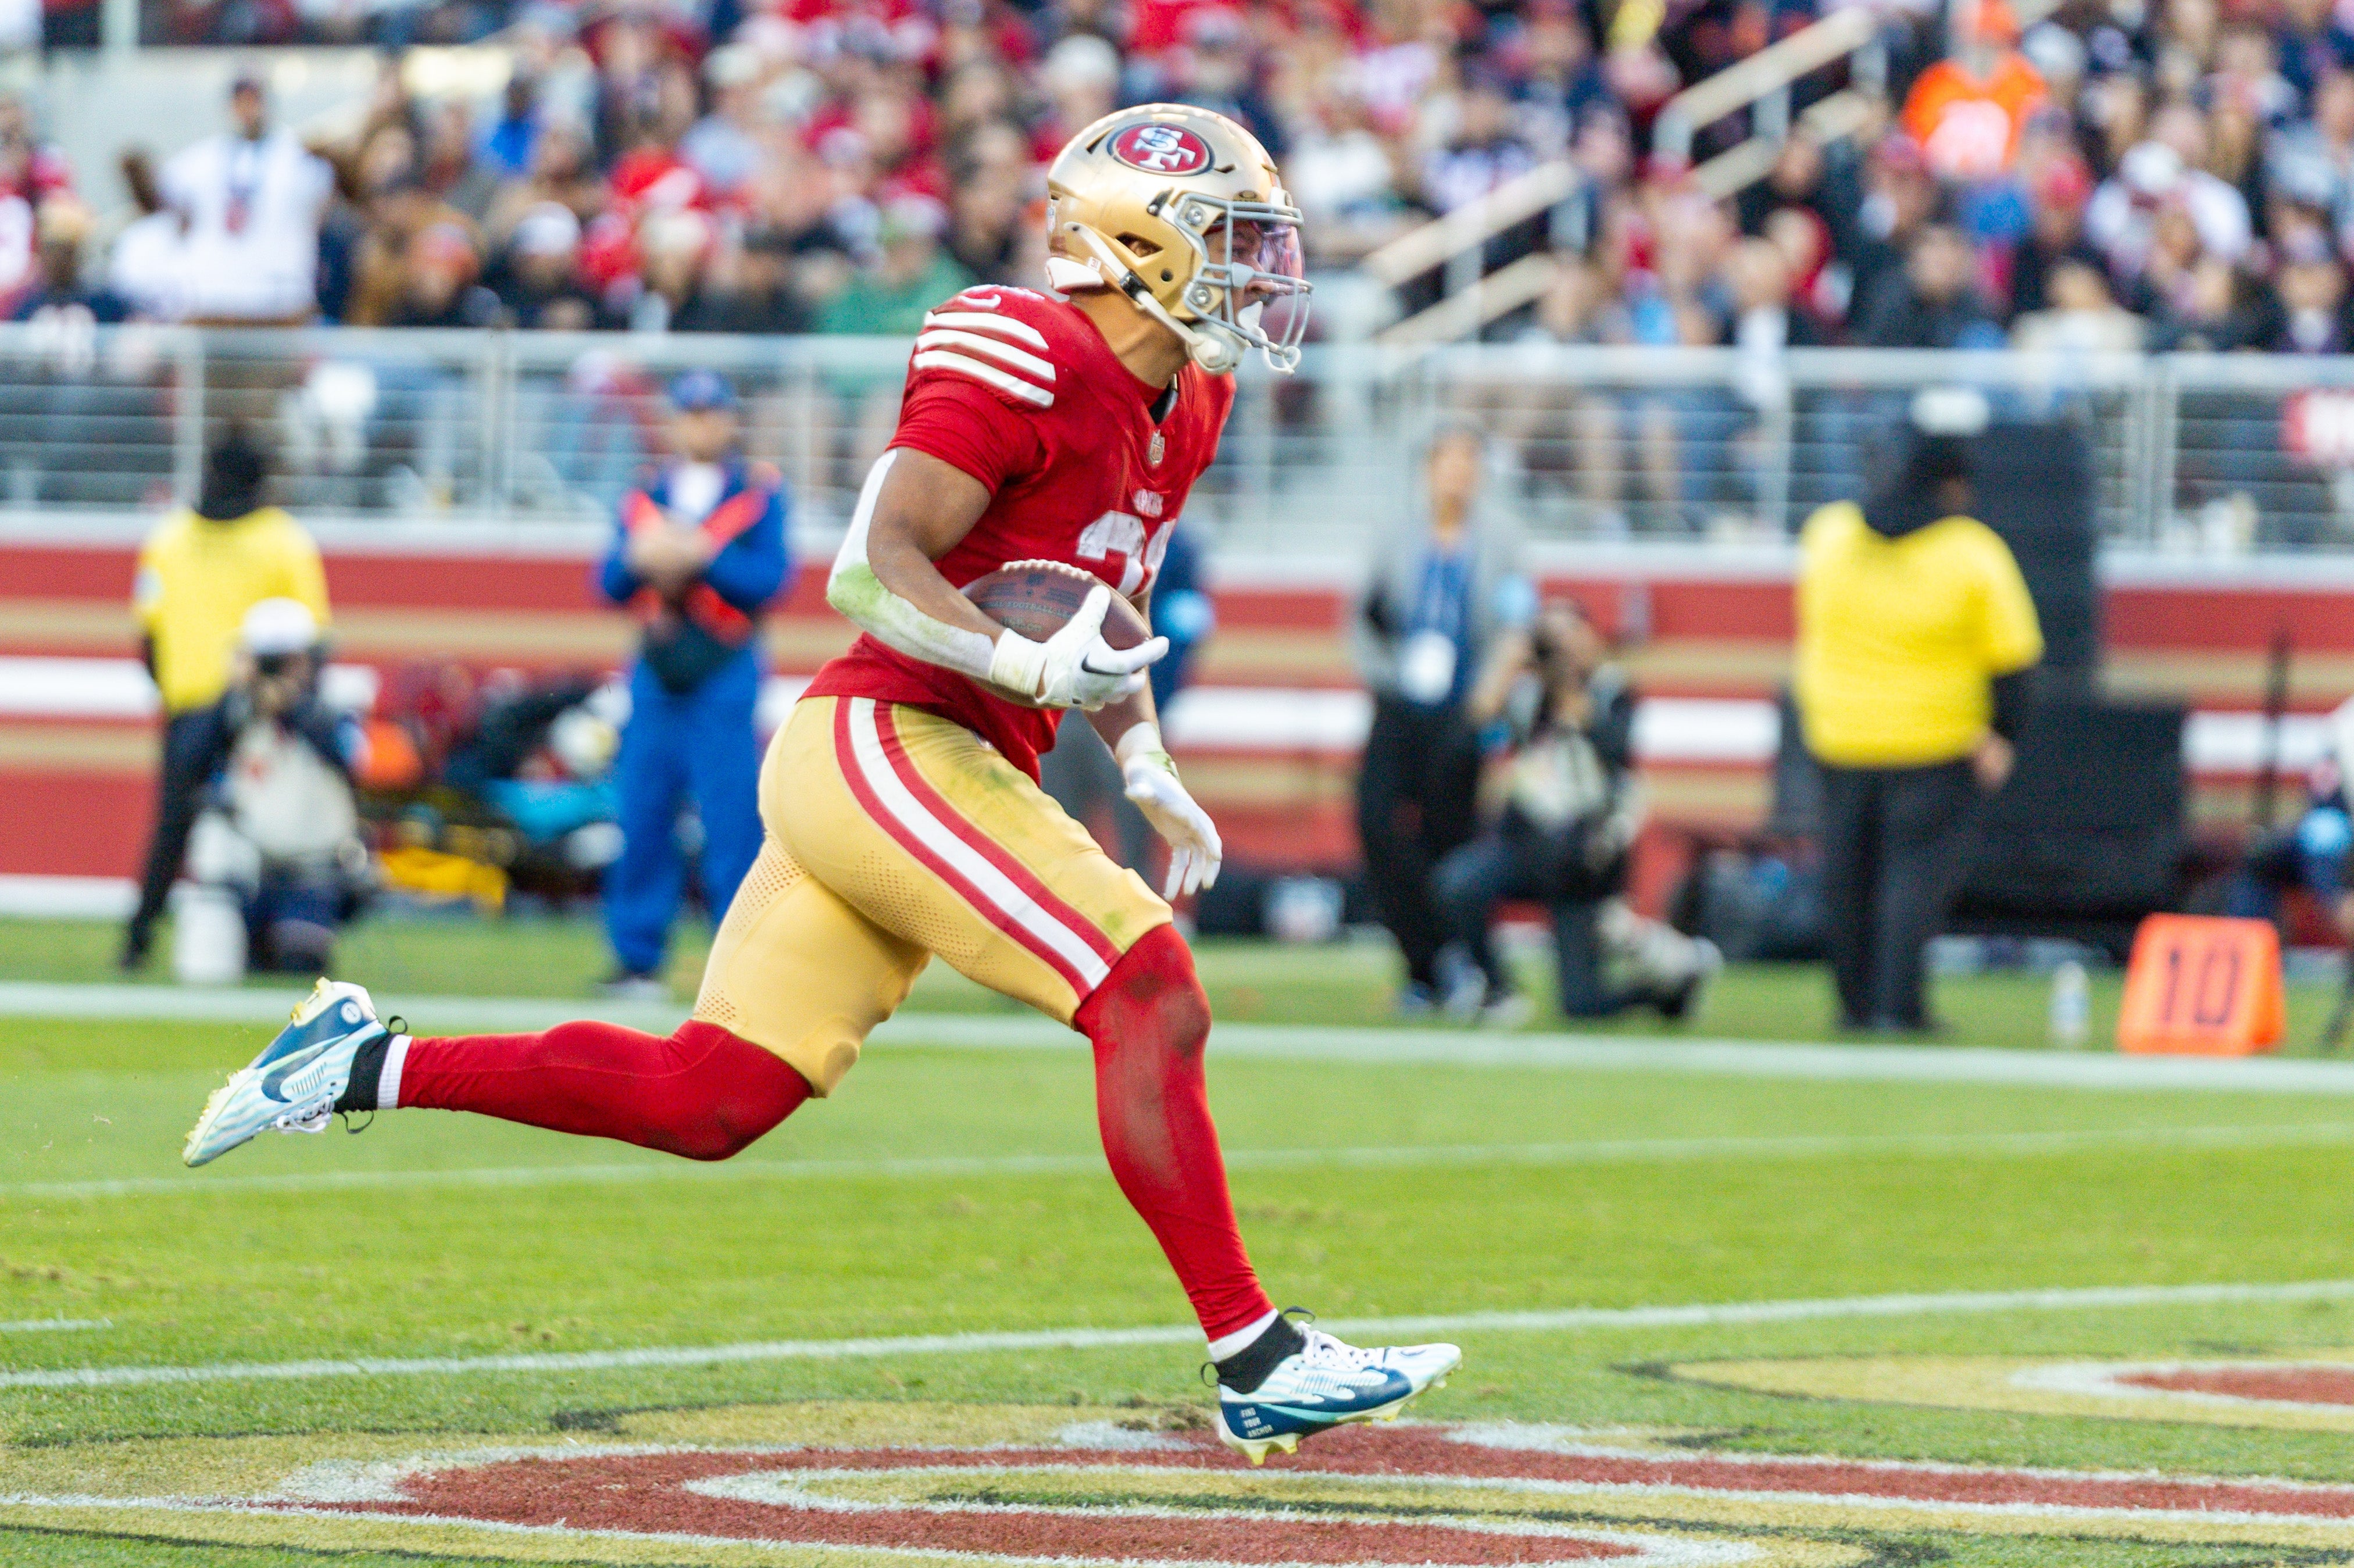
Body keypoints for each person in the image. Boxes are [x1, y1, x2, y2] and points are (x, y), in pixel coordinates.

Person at [181, 104, 1459, 1462]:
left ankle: (357, 1062)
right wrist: (1030, 676)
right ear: (1138, 246)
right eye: (1233, 242)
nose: (1263, 276)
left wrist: (1141, 754)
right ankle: (1254, 1352)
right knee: (1145, 984)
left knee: (708, 1096)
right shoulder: (1022, 349)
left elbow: (1102, 590)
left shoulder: (1189, 397)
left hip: (936, 760)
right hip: (890, 741)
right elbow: (872, 567)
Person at [1794, 388, 2044, 1033]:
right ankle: (1897, 1006)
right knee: (1913, 881)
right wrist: (2001, 735)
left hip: (1840, 735)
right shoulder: (1971, 552)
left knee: (1846, 875)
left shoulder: (1828, 535)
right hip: (1935, 741)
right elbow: (2015, 662)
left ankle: (1852, 1004)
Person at [1433, 598, 1720, 1027]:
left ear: (1590, 636)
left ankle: (1669, 987)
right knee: (1459, 883)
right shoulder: (1527, 695)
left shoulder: (1611, 689)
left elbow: (1614, 751)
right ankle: (1496, 989)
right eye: (1548, 637)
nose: (1558, 648)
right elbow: (1462, 743)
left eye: (1567, 633)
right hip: (1527, 846)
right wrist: (1501, 669)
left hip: (1582, 863)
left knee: (1581, 1005)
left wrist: (1569, 690)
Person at [596, 370, 790, 998]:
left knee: (731, 821)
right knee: (643, 814)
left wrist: (701, 556)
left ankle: (738, 962)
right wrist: (642, 558)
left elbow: (770, 580)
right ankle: (636, 958)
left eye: (712, 412)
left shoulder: (757, 493)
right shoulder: (645, 492)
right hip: (656, 670)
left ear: (728, 420)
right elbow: (607, 584)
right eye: (691, 412)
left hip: (724, 671)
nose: (701, 423)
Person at [123, 427, 330, 970]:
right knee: (279, 821)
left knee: (173, 826)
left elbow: (147, 634)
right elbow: (313, 639)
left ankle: (138, 938)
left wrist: (172, 692)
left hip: (189, 704)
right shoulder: (284, 540)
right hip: (264, 708)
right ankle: (281, 936)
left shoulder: (168, 537)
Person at [1352, 427, 1532, 1012]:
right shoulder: (1397, 537)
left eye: (1467, 464)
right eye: (1447, 463)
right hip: (1400, 704)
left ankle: (1445, 967)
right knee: (1376, 822)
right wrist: (1387, 674)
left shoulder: (1499, 542)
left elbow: (1514, 625)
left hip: (1461, 709)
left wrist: (1487, 697)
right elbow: (1361, 615)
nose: (1456, 475)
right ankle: (1420, 951)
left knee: (1448, 837)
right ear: (1428, 470)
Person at [163, 599, 366, 978]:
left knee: (300, 965)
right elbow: (188, 761)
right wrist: (231, 696)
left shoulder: (333, 707)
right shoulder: (239, 712)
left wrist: (294, 707)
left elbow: (351, 757)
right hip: (250, 869)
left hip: (315, 868)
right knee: (232, 965)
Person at [160, 72, 334, 324]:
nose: (248, 109)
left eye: (253, 100)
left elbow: (322, 206)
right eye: (241, 101)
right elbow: (170, 197)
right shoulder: (204, 158)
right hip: (216, 296)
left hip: (278, 298)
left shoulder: (296, 157)